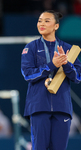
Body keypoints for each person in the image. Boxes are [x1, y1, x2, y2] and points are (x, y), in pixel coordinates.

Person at [21, 10, 81, 150]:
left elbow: (77, 77)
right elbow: (27, 74)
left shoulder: (68, 49)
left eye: (47, 21)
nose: (42, 23)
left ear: (56, 26)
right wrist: (52, 65)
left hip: (62, 107)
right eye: (40, 20)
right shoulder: (31, 48)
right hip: (39, 107)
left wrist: (66, 64)